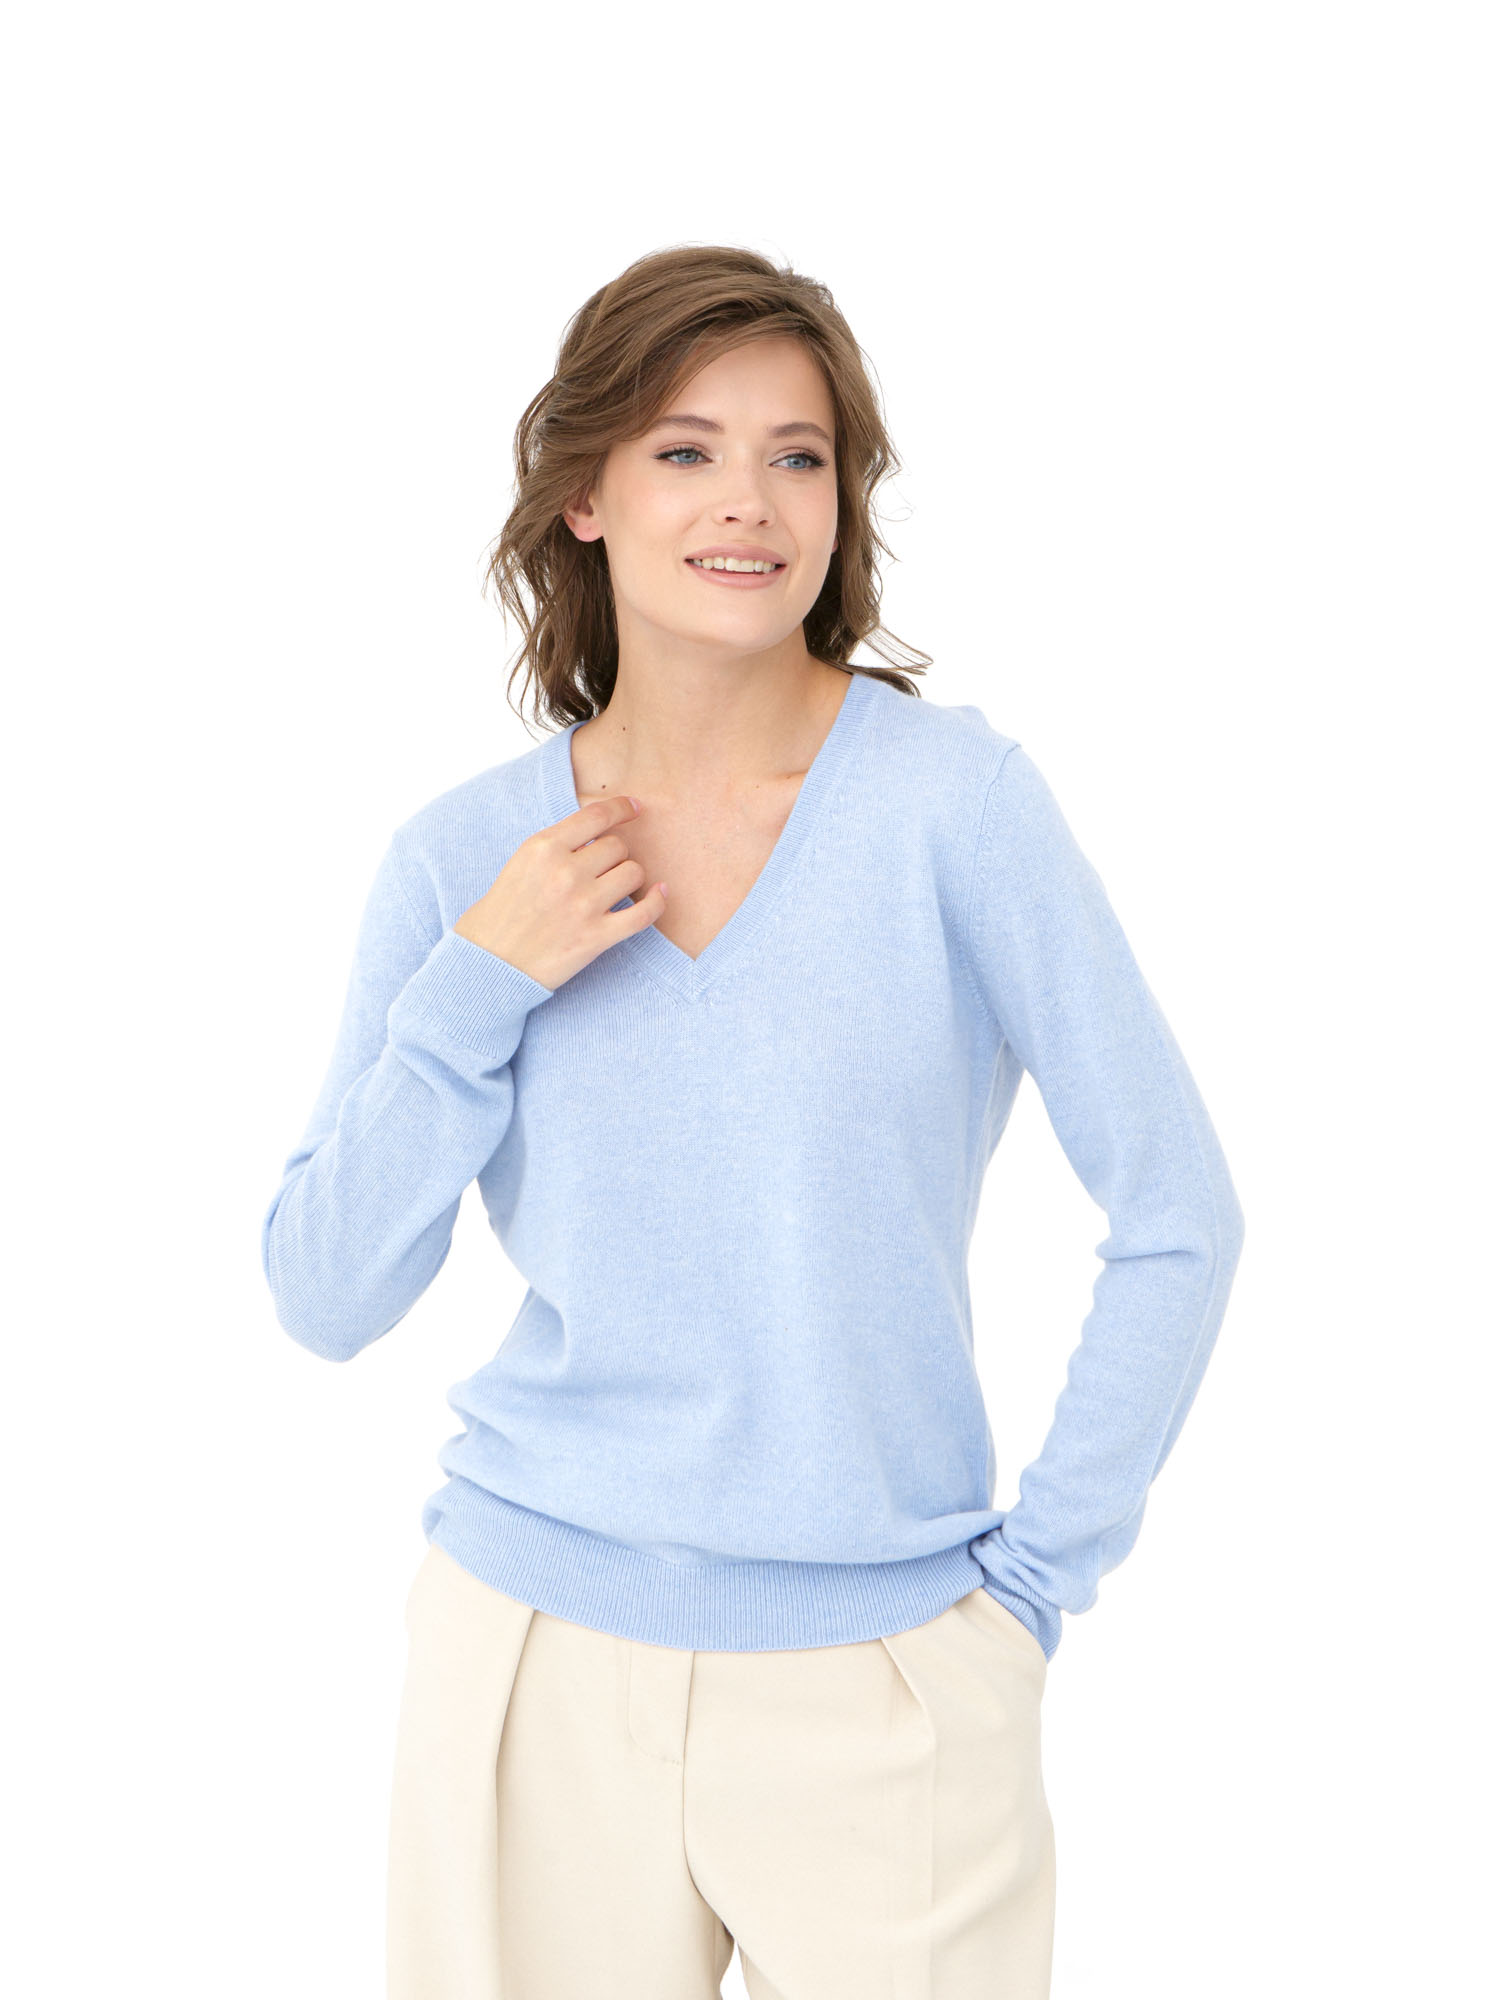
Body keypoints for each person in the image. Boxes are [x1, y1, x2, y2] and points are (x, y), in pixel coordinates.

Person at [260, 244, 1246, 2000]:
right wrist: (482, 980)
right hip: (528, 1665)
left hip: (889, 1685)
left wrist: (1027, 1592)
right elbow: (325, 1293)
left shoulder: (957, 808)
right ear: (584, 494)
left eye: (799, 455)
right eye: (686, 450)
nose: (750, 501)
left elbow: (1177, 1214)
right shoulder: (462, 862)